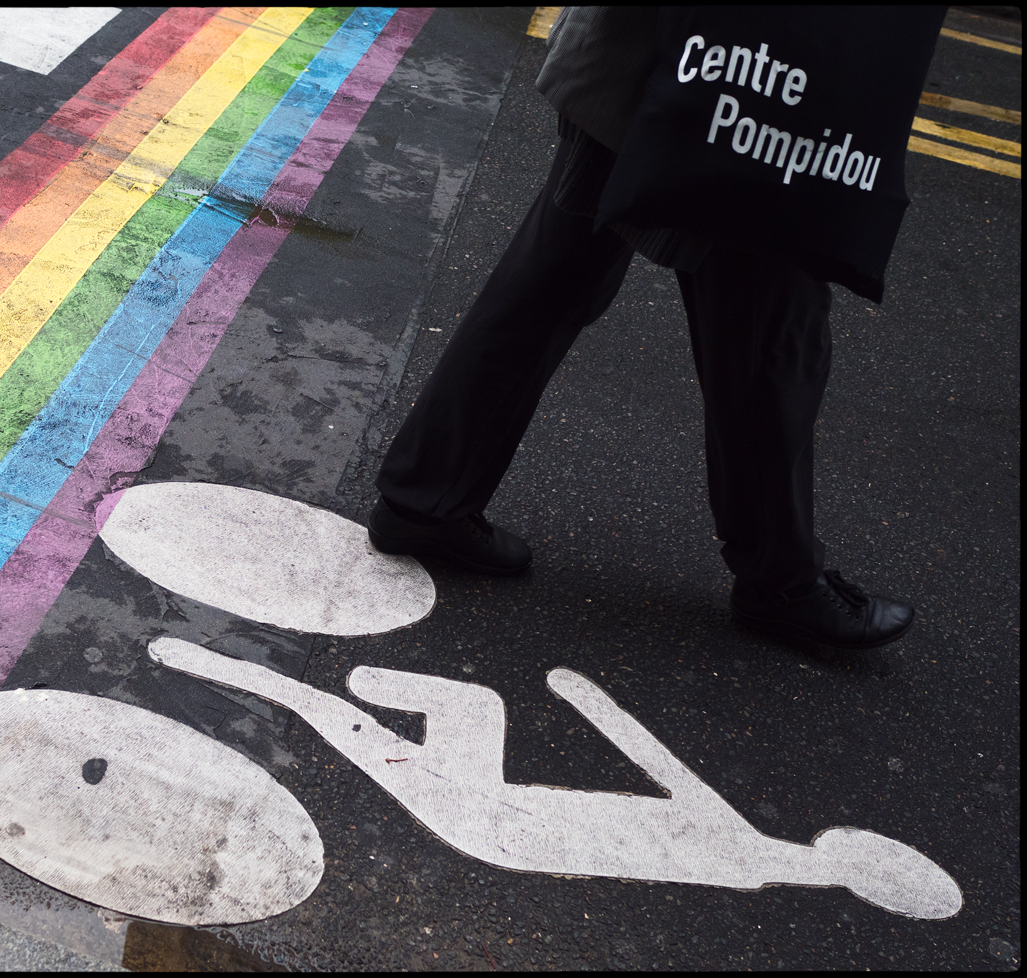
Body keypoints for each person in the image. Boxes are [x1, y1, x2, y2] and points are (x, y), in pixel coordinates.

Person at [366, 7, 914, 650]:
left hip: (654, 66)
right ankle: (781, 579)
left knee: (555, 277)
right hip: (736, 87)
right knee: (771, 321)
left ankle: (425, 496)